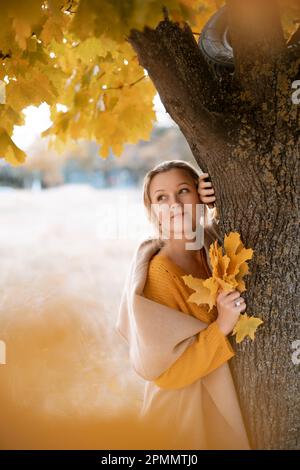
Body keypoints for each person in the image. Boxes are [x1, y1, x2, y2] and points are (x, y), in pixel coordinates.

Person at [116, 160, 251, 450]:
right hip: (180, 416)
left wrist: (217, 193)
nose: (174, 203)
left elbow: (216, 224)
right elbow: (168, 374)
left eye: (184, 191)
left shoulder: (209, 247)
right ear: (153, 212)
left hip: (217, 401)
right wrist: (222, 325)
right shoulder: (159, 272)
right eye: (161, 197)